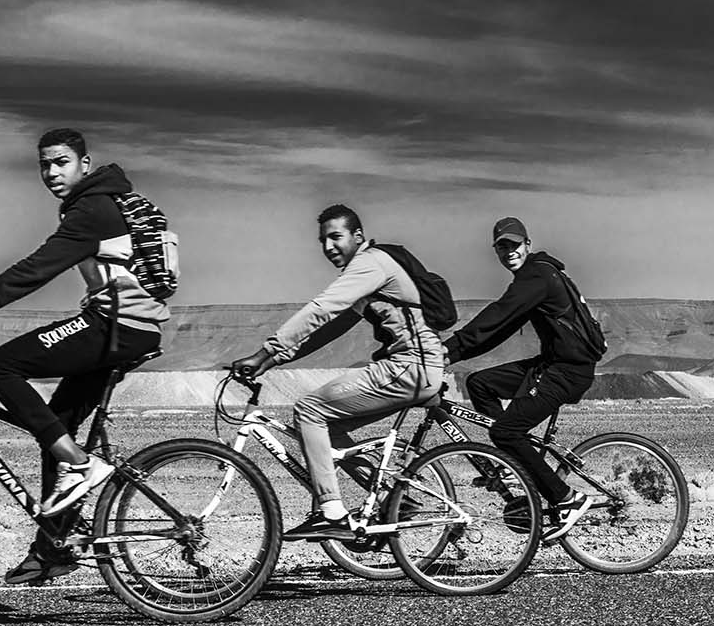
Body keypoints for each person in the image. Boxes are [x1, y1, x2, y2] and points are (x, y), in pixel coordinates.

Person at [0, 128, 168, 585]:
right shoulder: (97, 204)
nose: (51, 173)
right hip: (128, 329)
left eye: (61, 162)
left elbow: (33, 270)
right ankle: (54, 549)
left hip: (115, 329)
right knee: (56, 429)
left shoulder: (93, 210)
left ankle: (82, 466)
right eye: (44, 164)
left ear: (85, 164)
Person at [230, 204, 447, 539]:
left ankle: (330, 511)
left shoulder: (369, 263)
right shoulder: (365, 276)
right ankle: (394, 499)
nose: (328, 247)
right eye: (322, 240)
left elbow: (322, 308)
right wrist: (268, 362)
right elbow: (326, 330)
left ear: (357, 236)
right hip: (414, 367)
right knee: (323, 430)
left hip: (411, 365)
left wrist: (266, 349)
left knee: (309, 411)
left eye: (335, 237)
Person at [441, 217, 605, 539]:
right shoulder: (535, 275)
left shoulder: (537, 275)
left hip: (567, 370)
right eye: (502, 246)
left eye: (514, 245)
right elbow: (498, 330)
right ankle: (510, 460)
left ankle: (566, 498)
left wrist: (449, 349)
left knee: (505, 431)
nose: (508, 251)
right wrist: (454, 354)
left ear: (527, 245)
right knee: (480, 384)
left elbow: (496, 316)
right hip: (552, 364)